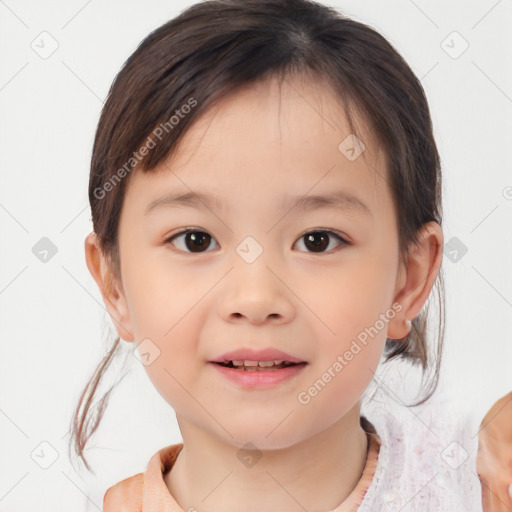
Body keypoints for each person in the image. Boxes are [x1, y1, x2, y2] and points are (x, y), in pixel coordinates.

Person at [69, 0, 486, 509]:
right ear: (115, 285)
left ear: (408, 280)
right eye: (195, 239)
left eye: (318, 240)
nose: (256, 298)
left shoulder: (479, 484)